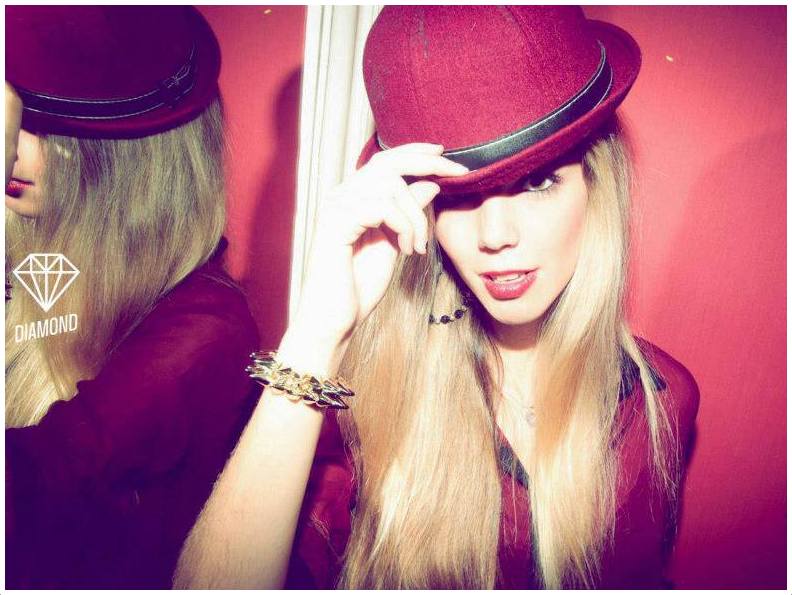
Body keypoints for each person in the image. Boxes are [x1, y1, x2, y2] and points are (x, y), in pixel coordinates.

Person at [175, 6, 700, 589]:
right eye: (457, 196)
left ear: (598, 186)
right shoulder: (363, 402)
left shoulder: (660, 402)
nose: (495, 236)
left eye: (537, 182)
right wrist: (318, 334)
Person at [5, 6, 261, 588]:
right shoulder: (27, 260)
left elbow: (30, 491)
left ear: (127, 162)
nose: (11, 148)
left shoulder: (203, 331)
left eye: (35, 122)